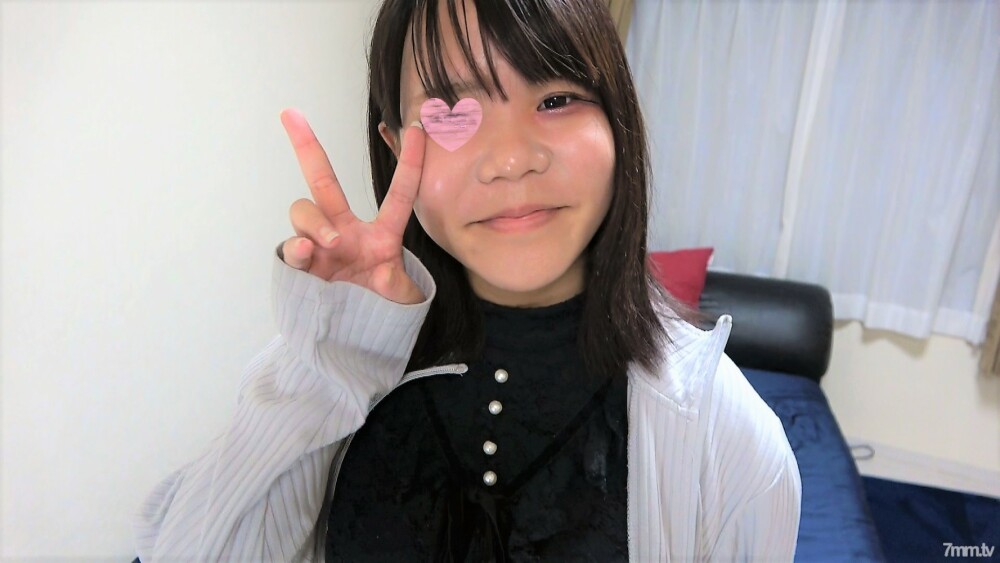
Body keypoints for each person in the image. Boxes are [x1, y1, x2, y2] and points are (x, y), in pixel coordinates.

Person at [133, 0, 801, 560]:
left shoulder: (727, 436)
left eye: (556, 98)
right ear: (396, 148)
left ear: (617, 120)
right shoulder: (330, 366)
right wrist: (334, 354)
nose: (511, 159)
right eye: (451, 111)